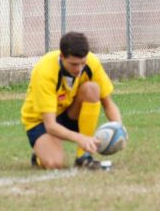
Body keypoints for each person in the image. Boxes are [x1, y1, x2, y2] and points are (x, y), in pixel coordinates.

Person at [20, 32, 123, 169]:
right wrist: (80, 138)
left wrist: (119, 129)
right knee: (54, 164)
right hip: (41, 121)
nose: (79, 69)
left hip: (69, 113)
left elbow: (108, 104)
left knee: (92, 89)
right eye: (74, 64)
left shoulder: (91, 63)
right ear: (62, 57)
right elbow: (50, 125)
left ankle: (83, 157)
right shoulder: (44, 71)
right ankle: (40, 153)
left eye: (82, 63)